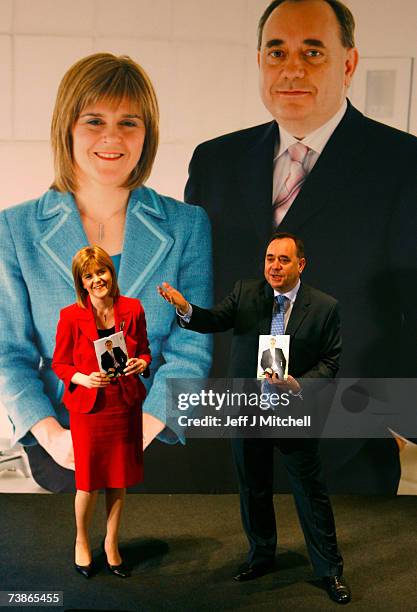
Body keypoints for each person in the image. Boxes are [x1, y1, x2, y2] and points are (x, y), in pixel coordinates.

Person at [184, 0, 417, 494]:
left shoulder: (402, 165)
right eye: (277, 52)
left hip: (346, 451)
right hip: (225, 450)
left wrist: (396, 414)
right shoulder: (214, 161)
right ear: (259, 62)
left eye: (313, 52)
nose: (292, 68)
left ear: (348, 63)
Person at [0, 53, 212, 493]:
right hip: (64, 447)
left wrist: (144, 429)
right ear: (67, 128)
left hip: (156, 443)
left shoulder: (188, 225)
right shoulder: (15, 229)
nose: (112, 137)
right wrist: (53, 438)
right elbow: (10, 354)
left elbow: (192, 347)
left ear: (146, 134)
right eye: (94, 120)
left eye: (129, 122)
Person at [159, 233, 350, 604]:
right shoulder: (246, 292)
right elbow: (213, 319)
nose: (274, 266)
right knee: (254, 489)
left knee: (311, 496)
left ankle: (329, 572)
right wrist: (185, 308)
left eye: (282, 260)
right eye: (269, 259)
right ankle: (262, 556)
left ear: (301, 265)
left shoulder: (325, 307)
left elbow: (331, 362)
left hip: (295, 412)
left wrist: (298, 384)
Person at [53, 246, 151, 578]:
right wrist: (83, 377)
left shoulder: (133, 308)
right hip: (89, 409)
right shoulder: (70, 316)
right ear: (81, 282)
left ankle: (111, 544)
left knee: (118, 480)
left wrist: (141, 364)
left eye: (102, 272)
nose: (98, 280)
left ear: (112, 272)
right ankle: (81, 541)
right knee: (88, 482)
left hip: (123, 406)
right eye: (89, 275)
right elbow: (60, 364)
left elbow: (146, 352)